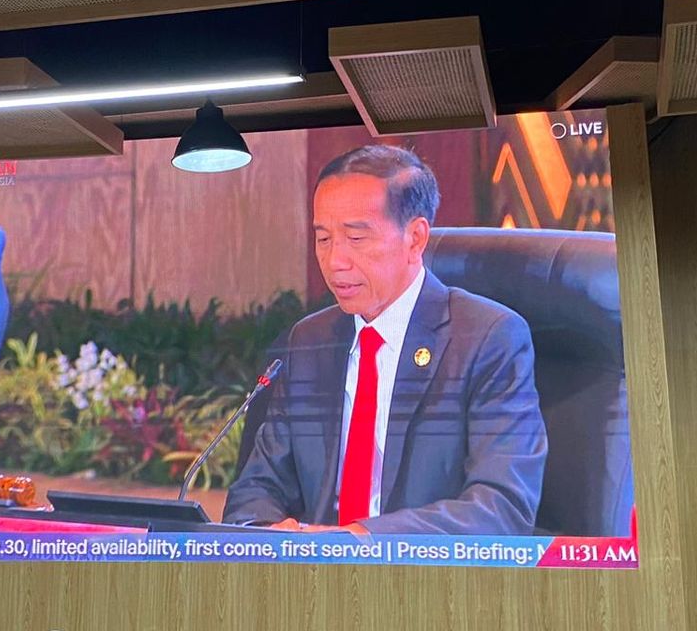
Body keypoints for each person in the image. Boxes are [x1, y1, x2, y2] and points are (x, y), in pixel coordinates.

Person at [223, 145, 547, 535]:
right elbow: (256, 488)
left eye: (356, 238)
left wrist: (364, 538)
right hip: (313, 585)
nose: (335, 260)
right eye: (323, 239)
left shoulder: (486, 339)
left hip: (429, 586)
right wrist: (266, 532)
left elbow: (503, 507)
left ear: (415, 238)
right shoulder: (309, 342)